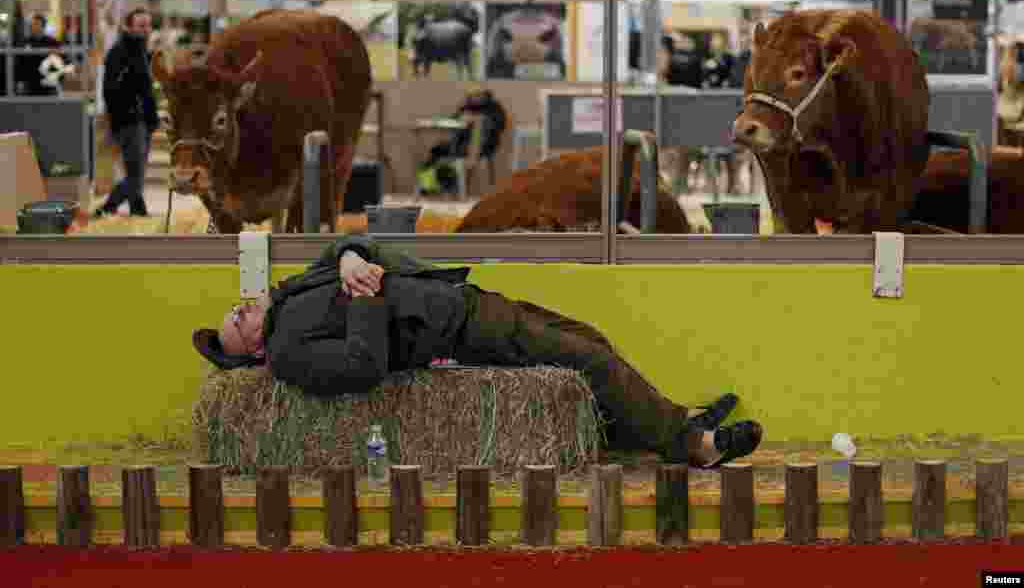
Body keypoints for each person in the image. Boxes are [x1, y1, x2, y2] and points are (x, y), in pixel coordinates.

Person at [192, 235, 763, 469]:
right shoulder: (291, 353)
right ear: (256, 353)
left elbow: (352, 246)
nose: (240, 310)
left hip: (458, 298)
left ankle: (668, 418)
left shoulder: (291, 294)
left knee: (589, 342)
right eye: (237, 325)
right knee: (587, 362)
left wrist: (347, 259)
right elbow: (362, 367)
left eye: (237, 309)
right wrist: (362, 292)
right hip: (455, 330)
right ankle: (694, 446)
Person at [95, 8, 159, 218]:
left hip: (141, 120)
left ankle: (135, 210)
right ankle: (109, 208)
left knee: (136, 171)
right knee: (135, 175)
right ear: (128, 26)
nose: (146, 29)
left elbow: (146, 88)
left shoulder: (139, 50)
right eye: (141, 25)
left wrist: (151, 115)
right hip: (129, 121)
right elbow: (111, 90)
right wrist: (127, 112)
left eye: (148, 25)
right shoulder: (120, 51)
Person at [15, 14, 62, 96]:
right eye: (32, 24)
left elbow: (60, 62)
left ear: (43, 26)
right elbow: (20, 63)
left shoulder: (53, 42)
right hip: (30, 83)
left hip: (48, 83)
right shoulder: (25, 42)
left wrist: (57, 80)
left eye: (36, 24)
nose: (33, 27)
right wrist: (20, 81)